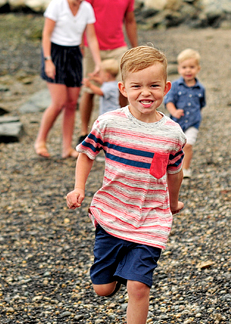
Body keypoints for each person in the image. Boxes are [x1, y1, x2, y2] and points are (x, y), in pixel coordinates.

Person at [66, 46, 185, 324]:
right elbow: (86, 154)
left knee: (139, 287)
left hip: (150, 219)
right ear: (123, 88)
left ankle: (133, 276)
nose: (146, 92)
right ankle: (119, 272)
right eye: (137, 86)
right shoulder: (109, 123)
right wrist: (79, 187)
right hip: (112, 214)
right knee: (103, 289)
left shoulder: (172, 134)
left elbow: (174, 172)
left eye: (154, 85)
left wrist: (172, 202)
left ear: (166, 87)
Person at [34, 0, 102, 159]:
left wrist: (97, 62)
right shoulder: (57, 4)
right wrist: (48, 60)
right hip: (55, 53)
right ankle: (40, 140)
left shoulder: (87, 8)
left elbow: (92, 38)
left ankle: (67, 148)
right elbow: (46, 35)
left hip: (74, 54)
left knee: (72, 103)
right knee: (58, 103)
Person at [79, 0, 139, 137]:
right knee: (88, 89)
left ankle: (122, 128)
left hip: (117, 47)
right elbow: (82, 16)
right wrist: (81, 45)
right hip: (92, 46)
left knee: (124, 89)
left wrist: (135, 49)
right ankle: (84, 131)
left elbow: (129, 21)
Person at [164, 49, 206, 179]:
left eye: (192, 67)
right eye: (184, 67)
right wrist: (174, 112)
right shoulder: (175, 86)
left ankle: (186, 169)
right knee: (174, 147)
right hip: (177, 123)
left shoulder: (200, 88)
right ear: (179, 68)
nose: (188, 70)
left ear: (198, 69)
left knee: (188, 145)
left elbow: (201, 104)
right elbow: (168, 101)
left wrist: (196, 115)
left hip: (193, 122)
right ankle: (170, 168)